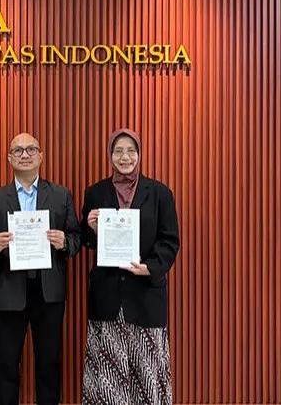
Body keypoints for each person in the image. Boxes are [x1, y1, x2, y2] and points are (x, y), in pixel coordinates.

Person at [0, 132, 81, 405]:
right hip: (9, 289)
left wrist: (64, 242)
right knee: (8, 363)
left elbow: (77, 238)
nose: (25, 154)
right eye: (18, 150)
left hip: (49, 292)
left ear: (41, 155)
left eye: (31, 149)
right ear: (9, 158)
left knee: (48, 363)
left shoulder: (60, 194)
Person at [80, 128, 180, 405]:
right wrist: (91, 228)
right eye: (118, 151)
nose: (125, 157)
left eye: (131, 151)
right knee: (108, 379)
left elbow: (170, 240)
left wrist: (151, 267)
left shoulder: (159, 193)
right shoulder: (95, 193)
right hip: (107, 298)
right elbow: (86, 241)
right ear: (110, 155)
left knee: (145, 375)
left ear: (140, 154)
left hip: (145, 295)